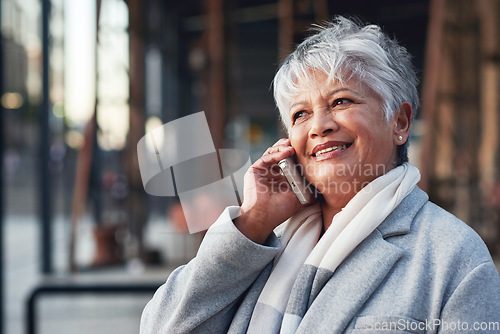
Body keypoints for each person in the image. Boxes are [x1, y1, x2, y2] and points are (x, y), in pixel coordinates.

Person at [140, 17, 500, 333]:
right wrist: (253, 220)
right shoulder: (261, 242)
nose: (319, 126)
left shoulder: (454, 258)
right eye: (300, 114)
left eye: (341, 101)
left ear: (400, 122)